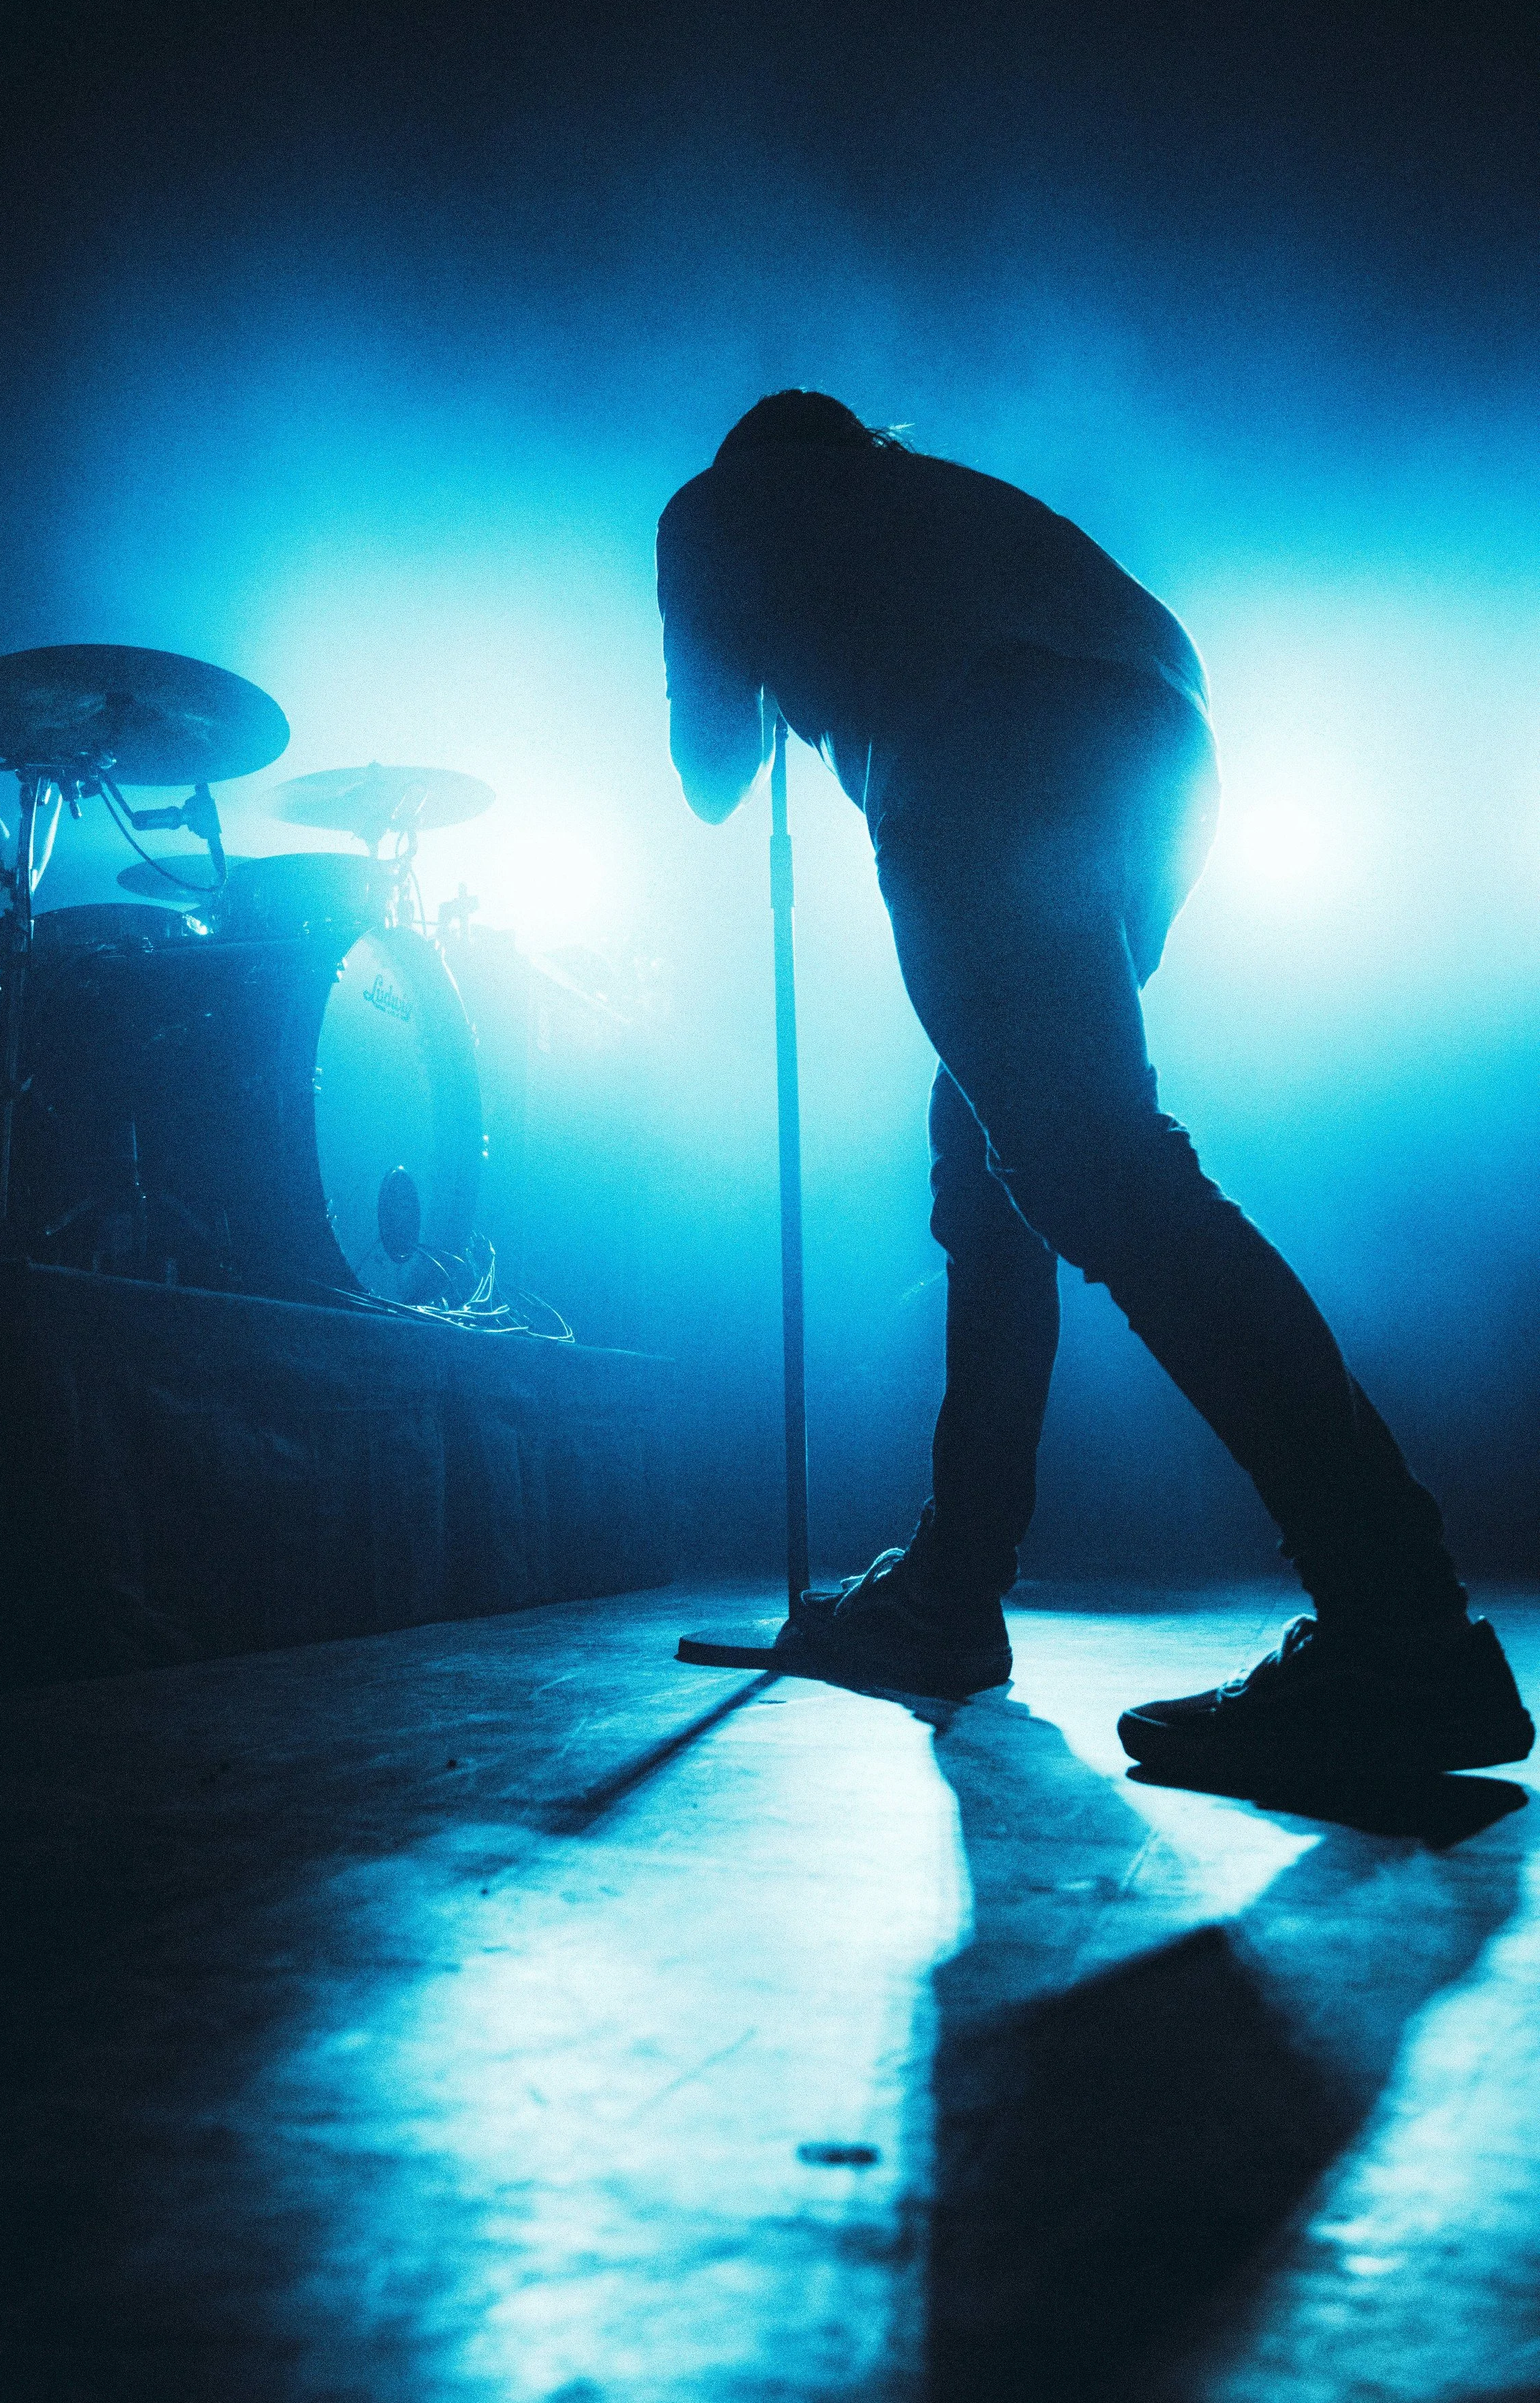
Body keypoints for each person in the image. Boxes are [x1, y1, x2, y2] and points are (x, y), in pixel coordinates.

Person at [657, 390, 1532, 1779]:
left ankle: (1401, 1631)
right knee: (1003, 1168)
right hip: (1158, 750)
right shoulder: (946, 488)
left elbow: (709, 772)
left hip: (985, 740)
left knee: (1097, 1171)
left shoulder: (719, 510)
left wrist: (755, 658)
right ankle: (952, 1584)